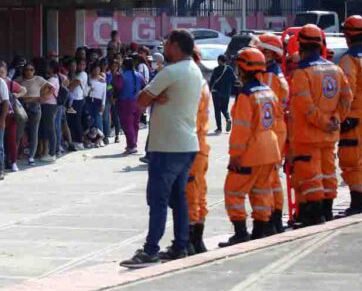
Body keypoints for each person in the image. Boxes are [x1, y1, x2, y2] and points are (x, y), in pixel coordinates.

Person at [120, 30, 203, 268]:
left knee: (157, 199)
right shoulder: (194, 70)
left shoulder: (171, 71)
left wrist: (154, 97)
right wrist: (156, 97)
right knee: (178, 199)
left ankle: (150, 250)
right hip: (187, 144)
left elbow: (141, 99)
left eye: (166, 43)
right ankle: (180, 246)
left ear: (175, 46)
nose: (164, 47)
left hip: (167, 145)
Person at [218, 48, 282, 246]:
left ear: (244, 69)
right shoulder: (268, 91)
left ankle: (240, 233)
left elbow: (241, 129)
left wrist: (235, 155)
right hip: (270, 151)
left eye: (239, 68)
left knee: (233, 192)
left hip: (250, 154)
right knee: (262, 192)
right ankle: (260, 231)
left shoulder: (246, 95)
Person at [289, 24, 352, 225]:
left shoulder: (302, 73)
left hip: (308, 136)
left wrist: (324, 123)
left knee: (311, 176)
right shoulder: (335, 69)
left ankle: (314, 216)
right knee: (328, 172)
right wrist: (336, 120)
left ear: (301, 46)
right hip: (329, 134)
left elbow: (306, 107)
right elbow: (346, 99)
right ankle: (327, 211)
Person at [256, 33, 290, 233]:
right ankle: (275, 218)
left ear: (268, 54)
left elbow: (263, 107)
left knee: (265, 178)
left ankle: (267, 221)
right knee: (274, 178)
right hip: (277, 129)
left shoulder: (268, 77)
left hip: (270, 131)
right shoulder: (276, 75)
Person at [338, 16, 362, 216]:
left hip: (355, 119)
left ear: (347, 35)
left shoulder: (349, 60)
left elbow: (348, 91)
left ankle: (357, 203)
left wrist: (342, 116)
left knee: (353, 161)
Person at [186, 48, 212, 254]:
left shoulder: (192, 85)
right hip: (201, 144)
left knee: (189, 195)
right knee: (200, 193)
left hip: (191, 145)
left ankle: (190, 241)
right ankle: (198, 240)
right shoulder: (202, 84)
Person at [15, 63, 53, 165]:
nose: (29, 72)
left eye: (31, 70)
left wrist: (44, 97)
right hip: (22, 106)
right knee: (19, 131)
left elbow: (51, 87)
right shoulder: (20, 79)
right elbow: (12, 86)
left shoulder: (38, 79)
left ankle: (31, 156)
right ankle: (15, 154)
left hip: (34, 105)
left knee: (34, 132)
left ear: (34, 70)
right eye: (27, 69)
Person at [0, 61, 26, 172]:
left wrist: (16, 95)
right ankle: (1, 162)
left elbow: (24, 90)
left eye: (2, 72)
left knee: (11, 140)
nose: (0, 75)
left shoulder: (10, 83)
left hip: (10, 115)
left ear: (6, 72)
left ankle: (13, 162)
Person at [114, 58, 145, 154]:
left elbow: (117, 88)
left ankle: (132, 145)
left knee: (127, 124)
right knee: (135, 124)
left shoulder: (122, 76)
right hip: (138, 101)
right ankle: (132, 143)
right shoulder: (140, 75)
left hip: (126, 102)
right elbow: (144, 86)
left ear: (124, 65)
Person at [209, 55, 237, 133]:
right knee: (224, 108)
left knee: (217, 110)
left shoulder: (216, 69)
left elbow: (212, 81)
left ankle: (219, 128)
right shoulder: (230, 69)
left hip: (216, 93)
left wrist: (210, 89)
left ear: (219, 61)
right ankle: (228, 119)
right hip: (226, 93)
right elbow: (234, 80)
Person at [40, 62, 60, 161]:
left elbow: (51, 90)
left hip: (49, 105)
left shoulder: (52, 79)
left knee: (50, 129)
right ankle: (50, 152)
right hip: (51, 105)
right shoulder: (55, 78)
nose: (47, 68)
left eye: (49, 66)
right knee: (49, 128)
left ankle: (52, 153)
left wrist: (43, 96)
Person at [67, 59, 88, 150]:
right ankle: (74, 140)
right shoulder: (74, 74)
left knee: (77, 121)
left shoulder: (83, 74)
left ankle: (79, 141)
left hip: (78, 100)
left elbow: (72, 86)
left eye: (83, 65)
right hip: (71, 100)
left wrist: (70, 83)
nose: (81, 66)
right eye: (80, 65)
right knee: (71, 121)